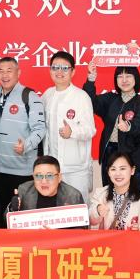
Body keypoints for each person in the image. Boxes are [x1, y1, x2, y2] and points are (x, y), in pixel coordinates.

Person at [0, 57, 47, 225]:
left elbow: (40, 129)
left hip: (22, 171)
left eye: (9, 70)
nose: (5, 75)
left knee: (22, 219)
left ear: (18, 73)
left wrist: (26, 145)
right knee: (0, 219)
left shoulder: (29, 96)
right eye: (1, 71)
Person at [84, 63, 140, 190]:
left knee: (133, 195)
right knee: (109, 193)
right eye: (120, 76)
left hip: (133, 156)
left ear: (136, 78)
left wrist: (128, 127)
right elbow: (88, 101)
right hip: (110, 153)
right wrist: (91, 79)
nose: (124, 80)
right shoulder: (110, 99)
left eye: (128, 76)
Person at [41, 51, 96, 197]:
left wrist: (72, 132)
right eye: (55, 67)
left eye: (65, 68)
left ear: (73, 71)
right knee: (55, 207)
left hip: (76, 169)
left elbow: (90, 130)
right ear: (50, 70)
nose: (59, 72)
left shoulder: (81, 96)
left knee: (78, 206)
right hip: (52, 167)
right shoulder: (47, 95)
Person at [88, 152, 140, 230]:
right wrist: (97, 210)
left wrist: (139, 230)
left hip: (131, 238)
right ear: (108, 172)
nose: (117, 174)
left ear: (132, 170)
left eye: (122, 169)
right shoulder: (100, 194)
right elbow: (90, 221)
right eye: (113, 169)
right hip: (108, 238)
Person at [10, 155, 85, 214]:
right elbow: (7, 221)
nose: (44, 181)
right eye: (38, 176)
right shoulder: (24, 190)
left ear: (59, 177)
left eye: (49, 176)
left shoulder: (73, 196)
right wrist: (13, 209)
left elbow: (83, 226)